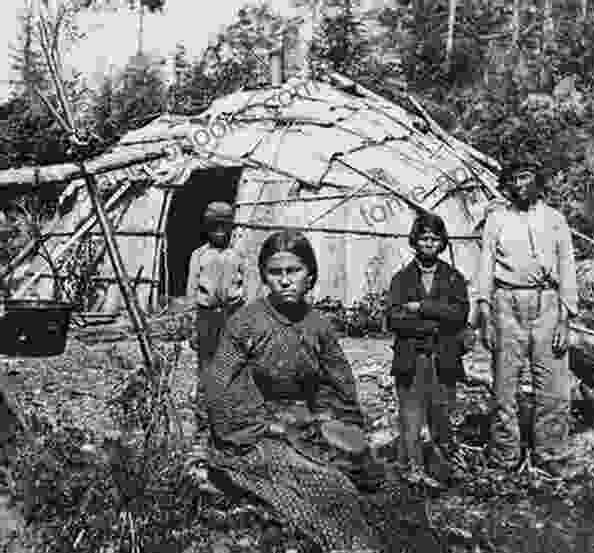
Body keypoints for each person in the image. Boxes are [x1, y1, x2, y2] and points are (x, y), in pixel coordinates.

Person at [199, 230, 382, 553]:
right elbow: (218, 387)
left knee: (373, 476)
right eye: (275, 272)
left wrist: (335, 422)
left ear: (309, 275)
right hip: (254, 432)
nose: (285, 281)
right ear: (264, 277)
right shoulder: (245, 323)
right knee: (331, 485)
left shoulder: (318, 326)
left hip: (306, 424)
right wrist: (262, 426)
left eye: (293, 271)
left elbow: (338, 383)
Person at [475, 160, 578, 477]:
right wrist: (484, 311)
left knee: (553, 383)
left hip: (547, 302)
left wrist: (564, 318)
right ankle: (505, 453)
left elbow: (567, 267)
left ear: (538, 183)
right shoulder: (496, 219)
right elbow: (485, 266)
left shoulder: (555, 219)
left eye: (526, 178)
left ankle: (551, 452)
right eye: (514, 179)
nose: (520, 184)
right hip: (507, 303)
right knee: (505, 384)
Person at [387, 212, 470, 486]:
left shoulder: (453, 277)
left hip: (443, 357)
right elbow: (394, 319)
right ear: (414, 241)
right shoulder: (402, 279)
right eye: (423, 238)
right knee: (410, 415)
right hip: (411, 357)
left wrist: (422, 308)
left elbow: (459, 314)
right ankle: (411, 468)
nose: (429, 244)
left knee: (441, 413)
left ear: (442, 242)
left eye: (434, 239)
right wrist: (434, 325)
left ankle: (442, 467)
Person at [186, 201, 246, 402]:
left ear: (231, 228)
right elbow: (191, 290)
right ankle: (203, 393)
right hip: (206, 313)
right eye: (214, 226)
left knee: (232, 354)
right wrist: (191, 323)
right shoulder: (199, 255)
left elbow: (248, 286)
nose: (219, 231)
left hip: (232, 312)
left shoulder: (237, 255)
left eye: (224, 226)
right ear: (207, 227)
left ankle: (229, 395)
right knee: (205, 355)